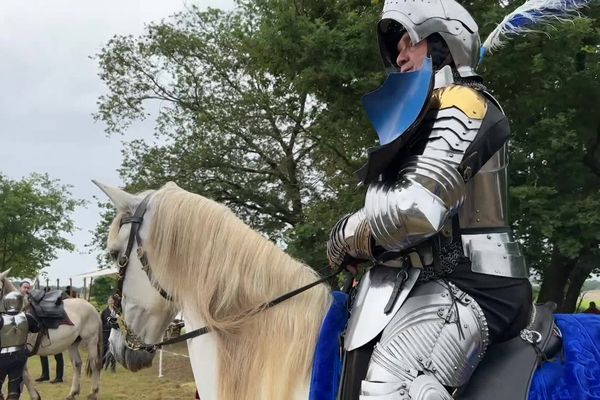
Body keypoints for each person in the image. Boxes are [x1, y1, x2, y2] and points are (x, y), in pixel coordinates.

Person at [327, 1, 533, 398]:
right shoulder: (420, 118)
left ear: (443, 44)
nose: (400, 56)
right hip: (419, 280)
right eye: (397, 48)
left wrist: (349, 235)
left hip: (476, 282)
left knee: (394, 389)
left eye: (410, 43)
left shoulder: (463, 102)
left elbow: (416, 210)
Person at [0, 291, 39, 400]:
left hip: (2, 358)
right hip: (20, 356)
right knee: (14, 387)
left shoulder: (1, 318)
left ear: (6, 303)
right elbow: (36, 328)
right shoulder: (28, 317)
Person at [100, 295, 117, 372]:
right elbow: (101, 322)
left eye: (112, 300)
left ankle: (113, 367)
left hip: (114, 333)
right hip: (105, 333)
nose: (111, 302)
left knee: (113, 349)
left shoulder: (116, 311)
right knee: (104, 349)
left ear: (114, 301)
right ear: (108, 302)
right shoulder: (104, 312)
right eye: (109, 300)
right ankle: (101, 364)